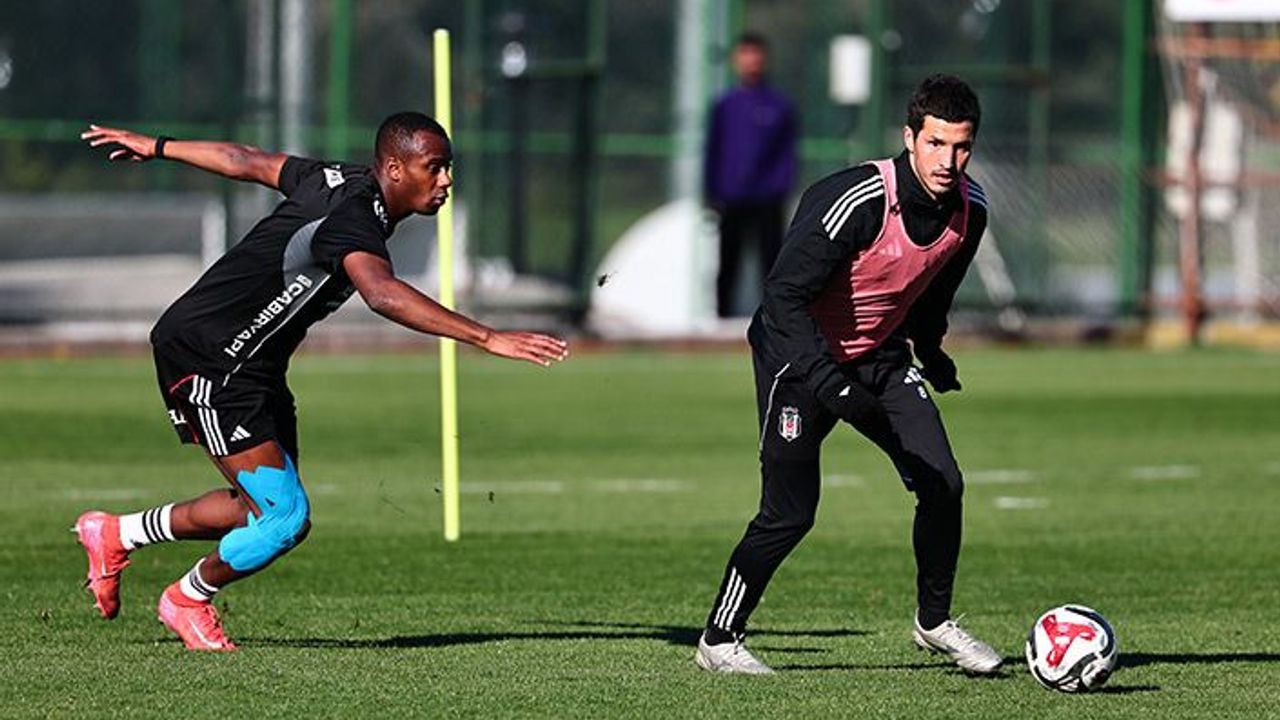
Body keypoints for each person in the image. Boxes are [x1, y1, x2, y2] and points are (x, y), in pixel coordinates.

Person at [75, 113, 568, 651]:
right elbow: (382, 294)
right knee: (285, 518)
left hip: (254, 365)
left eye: (448, 167)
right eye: (435, 167)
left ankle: (117, 534)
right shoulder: (354, 218)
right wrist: (487, 337)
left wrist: (159, 146)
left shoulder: (337, 178)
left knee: (259, 511)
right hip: (211, 360)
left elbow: (247, 160)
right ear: (395, 169)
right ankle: (187, 599)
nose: (446, 180)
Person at [694, 75, 1000, 675]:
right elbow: (781, 299)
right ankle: (719, 639)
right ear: (909, 137)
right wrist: (830, 384)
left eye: (961, 147)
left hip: (880, 358)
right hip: (796, 357)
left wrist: (931, 351)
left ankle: (934, 622)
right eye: (936, 144)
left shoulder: (972, 210)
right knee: (790, 513)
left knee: (943, 484)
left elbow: (933, 290)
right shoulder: (858, 200)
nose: (948, 161)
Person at [703, 32, 798, 318]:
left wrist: (780, 187)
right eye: (745, 55)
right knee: (727, 259)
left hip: (767, 198)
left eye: (756, 55)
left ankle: (775, 320)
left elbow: (787, 152)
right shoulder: (725, 106)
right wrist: (712, 191)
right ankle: (721, 318)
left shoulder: (780, 106)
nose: (751, 61)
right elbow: (713, 150)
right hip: (732, 197)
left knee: (771, 262)